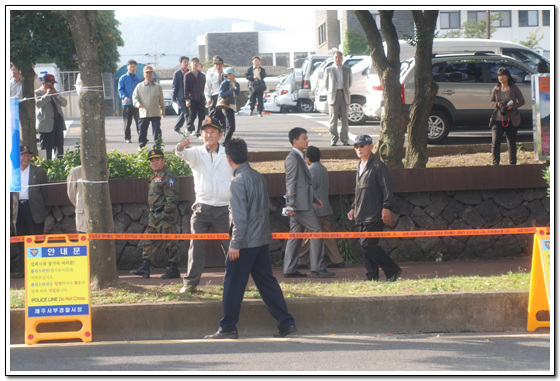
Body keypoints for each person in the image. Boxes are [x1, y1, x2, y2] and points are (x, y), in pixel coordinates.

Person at [204, 138, 297, 340]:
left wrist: (234, 244)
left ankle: (228, 326)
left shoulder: (237, 182)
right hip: (261, 239)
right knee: (266, 282)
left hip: (244, 242)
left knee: (233, 284)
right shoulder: (257, 177)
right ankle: (286, 322)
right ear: (246, 154)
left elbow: (239, 218)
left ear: (228, 159)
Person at [175, 116, 233, 293]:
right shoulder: (195, 153)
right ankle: (190, 283)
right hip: (202, 208)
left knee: (231, 247)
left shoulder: (228, 153)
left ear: (220, 135)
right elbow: (180, 153)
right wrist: (180, 146)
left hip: (224, 208)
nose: (209, 135)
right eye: (206, 132)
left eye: (213, 132)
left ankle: (235, 282)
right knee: (196, 246)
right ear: (201, 135)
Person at [347, 135, 402, 282]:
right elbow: (358, 191)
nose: (358, 149)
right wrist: (353, 208)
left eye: (362, 146)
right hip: (362, 213)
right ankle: (372, 275)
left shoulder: (378, 165)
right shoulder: (360, 165)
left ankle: (393, 270)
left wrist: (386, 207)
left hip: (375, 213)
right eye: (356, 146)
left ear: (371, 146)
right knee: (365, 246)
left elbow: (387, 188)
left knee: (368, 244)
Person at [283, 127, 334, 278]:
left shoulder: (298, 156)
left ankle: (289, 268)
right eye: (304, 138)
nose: (307, 141)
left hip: (301, 203)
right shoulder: (293, 158)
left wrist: (314, 198)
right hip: (300, 205)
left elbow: (304, 183)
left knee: (295, 236)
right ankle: (317, 267)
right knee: (317, 231)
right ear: (295, 141)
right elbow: (291, 182)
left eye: (306, 138)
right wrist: (291, 204)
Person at [130, 149, 181, 279]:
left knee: (170, 242)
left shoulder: (168, 175)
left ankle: (174, 269)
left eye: (157, 159)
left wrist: (166, 213)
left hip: (165, 216)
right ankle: (145, 267)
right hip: (154, 216)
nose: (154, 162)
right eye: (152, 161)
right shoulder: (155, 176)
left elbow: (172, 197)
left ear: (163, 160)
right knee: (149, 240)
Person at [298, 146, 345, 269]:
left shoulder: (311, 170)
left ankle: (301, 260)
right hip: (325, 209)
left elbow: (309, 190)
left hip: (315, 209)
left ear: (307, 158)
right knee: (328, 236)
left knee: (309, 235)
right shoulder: (323, 168)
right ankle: (337, 259)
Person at [14, 145, 49, 278]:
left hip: (33, 209)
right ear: (18, 157)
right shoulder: (13, 172)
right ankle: (23, 270)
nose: (26, 158)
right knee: (21, 241)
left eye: (28, 155)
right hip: (19, 210)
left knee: (36, 239)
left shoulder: (38, 172)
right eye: (23, 155)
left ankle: (37, 269)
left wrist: (36, 205)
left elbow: (44, 193)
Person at [489, 67, 525, 166]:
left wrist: (512, 107)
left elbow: (522, 101)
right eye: (499, 76)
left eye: (503, 75)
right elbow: (491, 102)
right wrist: (498, 104)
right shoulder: (496, 89)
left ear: (508, 77)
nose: (501, 78)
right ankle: (495, 164)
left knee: (511, 143)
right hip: (498, 119)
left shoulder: (514, 88)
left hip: (511, 119)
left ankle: (513, 164)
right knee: (495, 142)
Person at [132, 65, 166, 150]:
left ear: (153, 74)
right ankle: (141, 145)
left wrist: (163, 110)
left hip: (155, 112)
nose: (149, 74)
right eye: (147, 73)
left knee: (157, 131)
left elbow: (161, 100)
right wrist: (137, 104)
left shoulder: (158, 86)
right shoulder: (139, 86)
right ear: (143, 75)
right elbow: (134, 98)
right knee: (142, 131)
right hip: (144, 112)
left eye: (150, 72)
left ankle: (157, 146)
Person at [35, 74, 68, 160]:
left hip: (58, 123)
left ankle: (59, 167)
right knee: (46, 150)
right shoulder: (38, 92)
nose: (52, 86)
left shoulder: (55, 92)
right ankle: (46, 168)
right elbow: (38, 104)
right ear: (43, 83)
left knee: (59, 149)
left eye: (53, 84)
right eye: (49, 84)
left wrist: (57, 95)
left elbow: (64, 103)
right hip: (46, 125)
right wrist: (47, 94)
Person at [323, 51, 352, 146]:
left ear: (342, 58)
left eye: (339, 57)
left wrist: (344, 90)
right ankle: (333, 139)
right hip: (333, 96)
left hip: (344, 95)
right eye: (335, 57)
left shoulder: (347, 70)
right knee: (333, 119)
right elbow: (326, 84)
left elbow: (349, 83)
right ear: (333, 58)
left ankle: (344, 139)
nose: (337, 59)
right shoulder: (328, 70)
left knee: (345, 119)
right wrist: (331, 92)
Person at [118, 59, 142, 143]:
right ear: (127, 67)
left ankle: (141, 137)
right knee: (127, 122)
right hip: (127, 103)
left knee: (139, 121)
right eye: (131, 66)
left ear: (136, 67)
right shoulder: (123, 78)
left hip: (136, 104)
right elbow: (120, 90)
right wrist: (124, 97)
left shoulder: (138, 78)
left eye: (134, 67)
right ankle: (127, 138)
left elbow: (140, 91)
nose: (132, 68)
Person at [184, 57, 207, 138]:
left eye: (197, 62)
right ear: (191, 64)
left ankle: (199, 133)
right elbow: (186, 89)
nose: (195, 64)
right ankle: (188, 129)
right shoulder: (187, 76)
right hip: (192, 98)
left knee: (202, 116)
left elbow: (205, 88)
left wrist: (206, 98)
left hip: (201, 97)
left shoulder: (202, 76)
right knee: (192, 116)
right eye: (194, 62)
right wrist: (187, 99)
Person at [218, 67, 241, 144]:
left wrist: (236, 84)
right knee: (232, 127)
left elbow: (238, 93)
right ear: (228, 75)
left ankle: (227, 142)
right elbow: (221, 93)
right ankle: (225, 142)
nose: (234, 76)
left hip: (232, 106)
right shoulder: (225, 83)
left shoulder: (232, 83)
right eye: (233, 74)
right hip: (227, 106)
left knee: (229, 126)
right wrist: (230, 90)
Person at [204, 55, 226, 127]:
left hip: (225, 97)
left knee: (222, 114)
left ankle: (223, 128)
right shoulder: (211, 75)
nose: (218, 66)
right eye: (216, 65)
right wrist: (208, 99)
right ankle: (209, 127)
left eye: (220, 64)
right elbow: (207, 87)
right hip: (215, 96)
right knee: (213, 113)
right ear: (214, 65)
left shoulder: (226, 75)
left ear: (222, 65)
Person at [172, 56, 190, 135]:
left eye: (187, 62)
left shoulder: (190, 72)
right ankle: (189, 129)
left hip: (189, 96)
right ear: (180, 63)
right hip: (181, 96)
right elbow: (175, 86)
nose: (186, 64)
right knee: (187, 113)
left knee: (184, 112)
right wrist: (173, 98)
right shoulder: (177, 73)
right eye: (184, 62)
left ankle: (177, 127)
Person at [67, 166, 86, 233]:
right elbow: (71, 193)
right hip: (83, 215)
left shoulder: (103, 170)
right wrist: (79, 205)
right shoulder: (75, 171)